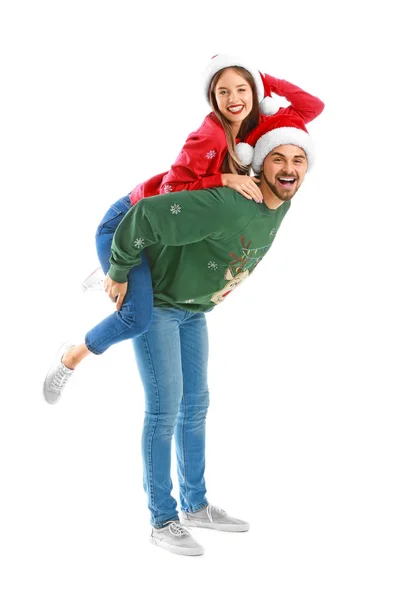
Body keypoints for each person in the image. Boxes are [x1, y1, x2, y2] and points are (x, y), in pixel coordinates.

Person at [48, 109, 323, 556]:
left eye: (298, 159)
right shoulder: (232, 203)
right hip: (157, 306)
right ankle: (162, 519)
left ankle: (196, 505)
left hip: (193, 308)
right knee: (164, 410)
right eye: (278, 159)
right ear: (261, 164)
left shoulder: (282, 203)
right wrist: (119, 269)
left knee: (197, 406)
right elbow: (143, 216)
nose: (289, 168)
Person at [43, 54, 324, 405]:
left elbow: (313, 106)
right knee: (136, 318)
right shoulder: (211, 134)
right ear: (212, 97)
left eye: (242, 89)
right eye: (223, 92)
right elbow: (170, 192)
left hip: (161, 229)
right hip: (128, 220)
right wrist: (222, 177)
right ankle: (70, 357)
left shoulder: (253, 129)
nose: (234, 99)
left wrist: (263, 79)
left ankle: (110, 268)